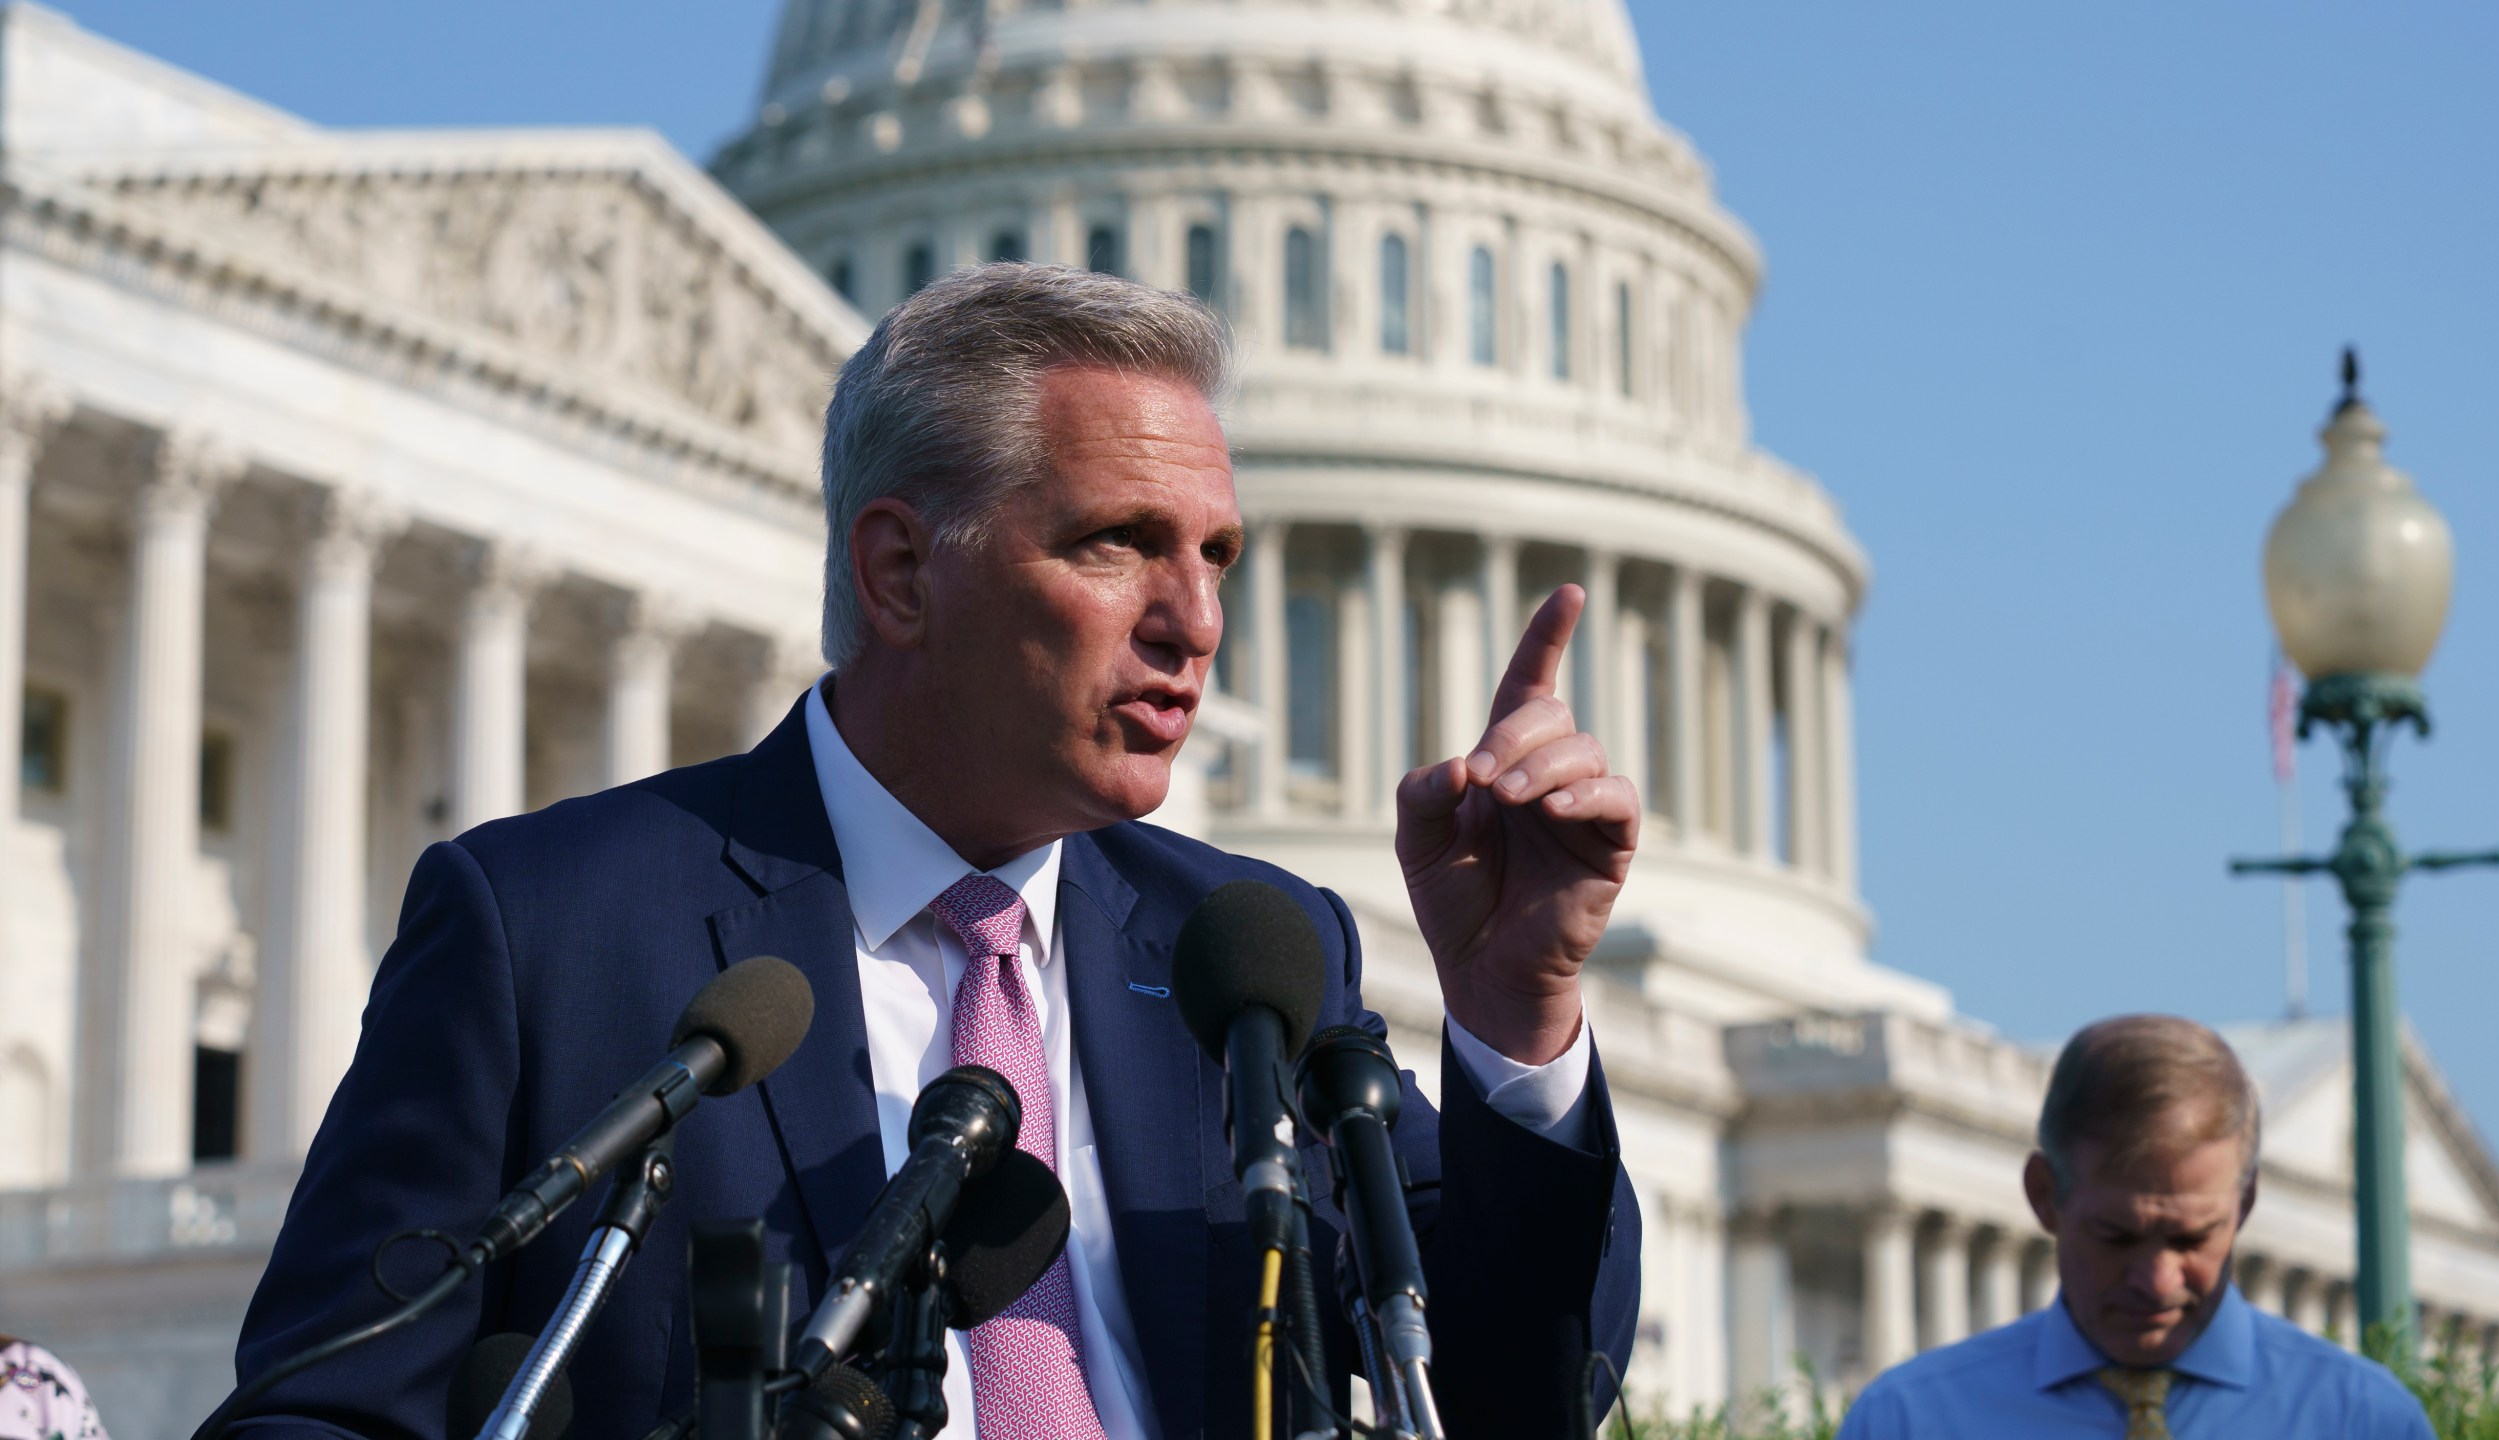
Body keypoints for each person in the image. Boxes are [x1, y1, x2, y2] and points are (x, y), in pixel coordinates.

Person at [224, 264, 1641, 1440]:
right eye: (1118, 543)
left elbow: (1515, 1397)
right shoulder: (550, 932)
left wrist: (1519, 1015)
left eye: (1217, 557)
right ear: (902, 572)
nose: (1193, 621)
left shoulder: (1255, 959)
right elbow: (323, 1409)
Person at [1838, 1014, 2431, 1438]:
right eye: (2117, 1237)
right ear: (2045, 1197)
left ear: (2244, 1205)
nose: (2156, 1281)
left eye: (2192, 1238)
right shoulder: (1908, 1422)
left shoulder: (2363, 1421)